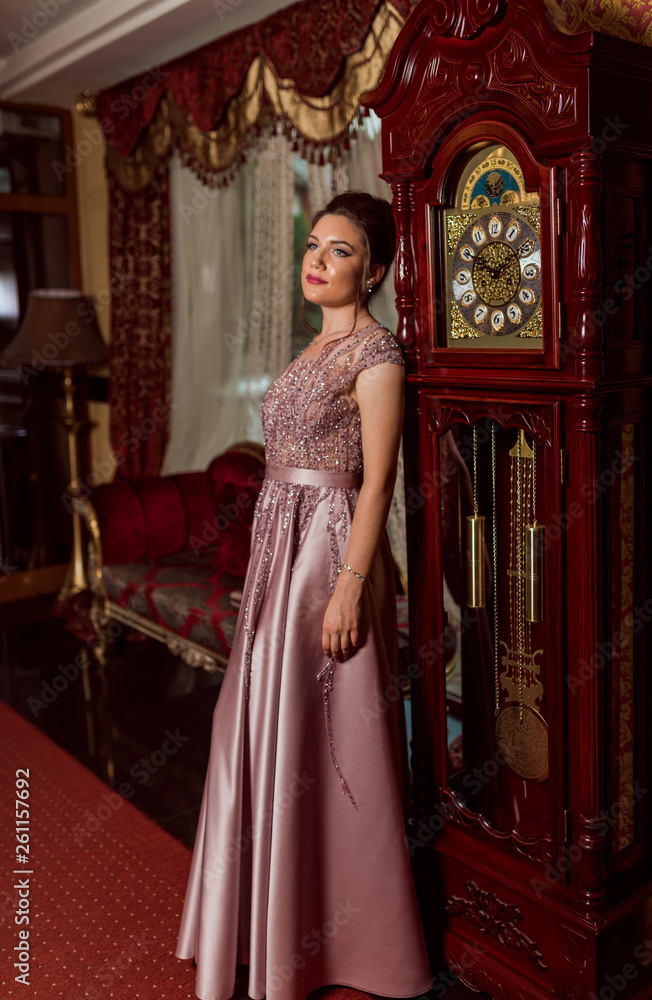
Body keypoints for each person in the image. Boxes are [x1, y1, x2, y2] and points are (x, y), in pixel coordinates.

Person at [176, 191, 432, 1000]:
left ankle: (349, 942)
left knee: (324, 734)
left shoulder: (377, 354)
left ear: (377, 270)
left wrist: (351, 588)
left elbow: (378, 481)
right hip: (275, 547)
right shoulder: (308, 351)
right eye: (313, 244)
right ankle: (269, 919)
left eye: (340, 250)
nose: (316, 259)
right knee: (259, 724)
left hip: (327, 551)